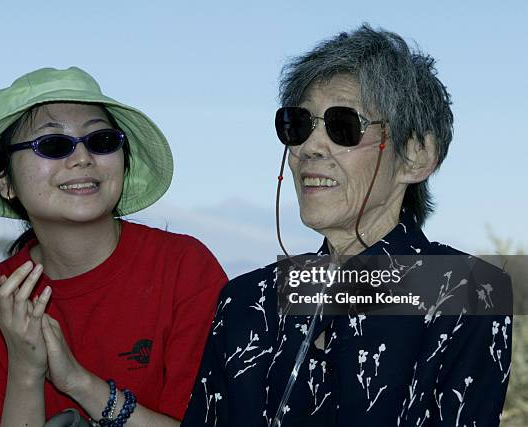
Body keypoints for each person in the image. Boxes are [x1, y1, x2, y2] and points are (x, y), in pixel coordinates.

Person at [182, 25, 513, 426]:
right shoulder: (248, 301)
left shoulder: (465, 293)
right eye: (298, 124)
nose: (308, 147)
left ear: (416, 156)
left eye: (343, 125)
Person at [0, 66, 228, 426]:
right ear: (6, 182)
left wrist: (78, 383)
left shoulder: (184, 269)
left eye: (101, 141)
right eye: (53, 145)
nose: (82, 158)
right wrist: (26, 371)